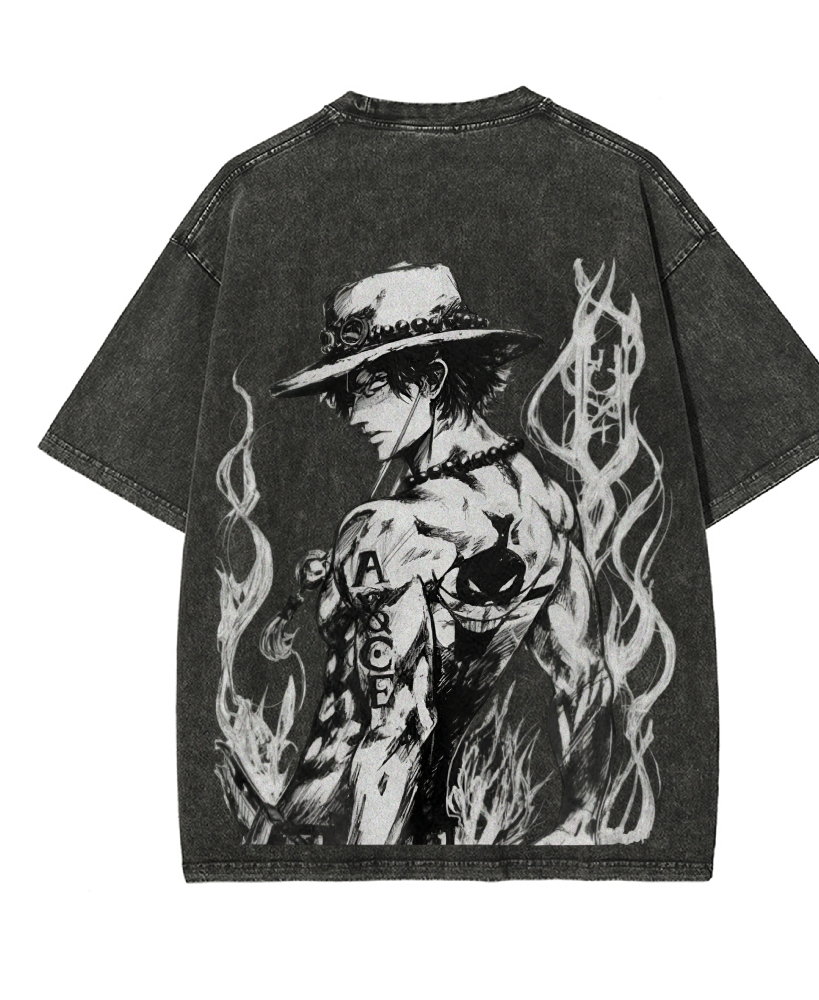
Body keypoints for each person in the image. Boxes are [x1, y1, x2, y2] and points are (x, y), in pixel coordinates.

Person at [265, 262, 621, 845]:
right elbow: (584, 681)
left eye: (368, 386)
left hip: (356, 842)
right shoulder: (542, 503)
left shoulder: (388, 529)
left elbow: (380, 735)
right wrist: (582, 826)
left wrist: (346, 866)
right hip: (446, 842)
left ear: (431, 378)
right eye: (344, 393)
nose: (353, 415)